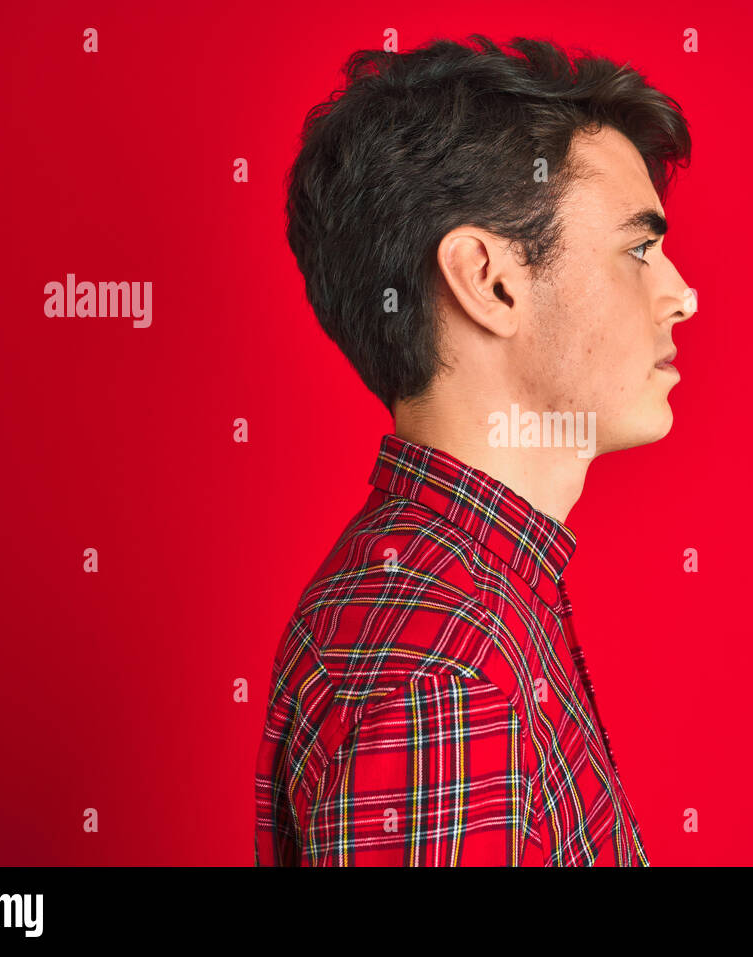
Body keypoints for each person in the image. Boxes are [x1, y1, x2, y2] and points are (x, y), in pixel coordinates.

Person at [254, 33, 696, 865]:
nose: (682, 294)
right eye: (640, 248)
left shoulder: (480, 594)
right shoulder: (443, 671)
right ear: (489, 281)